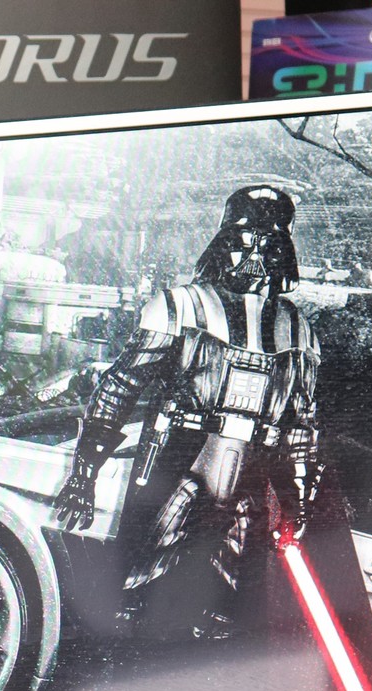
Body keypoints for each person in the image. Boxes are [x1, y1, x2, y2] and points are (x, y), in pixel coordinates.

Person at [52, 184, 320, 638]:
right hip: (177, 463)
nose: (254, 254)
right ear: (223, 241)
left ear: (284, 251)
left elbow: (303, 426)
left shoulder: (299, 330)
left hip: (250, 483)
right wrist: (83, 475)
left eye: (268, 242)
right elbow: (119, 388)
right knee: (144, 598)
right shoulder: (178, 308)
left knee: (226, 619)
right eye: (242, 240)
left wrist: (298, 504)